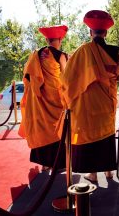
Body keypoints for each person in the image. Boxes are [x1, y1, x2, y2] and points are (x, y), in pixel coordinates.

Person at [60, 10, 119, 183]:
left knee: (90, 137)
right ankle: (109, 172)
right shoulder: (113, 51)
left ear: (90, 32)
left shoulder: (82, 52)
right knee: (106, 137)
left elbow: (67, 80)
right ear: (106, 33)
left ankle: (93, 174)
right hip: (106, 105)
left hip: (87, 107)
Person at [19, 25, 68, 171]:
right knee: (57, 130)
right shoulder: (61, 55)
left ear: (47, 39)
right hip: (56, 99)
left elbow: (28, 76)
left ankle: (45, 164)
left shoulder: (36, 54)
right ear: (59, 40)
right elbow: (65, 78)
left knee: (42, 130)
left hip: (40, 100)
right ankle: (58, 164)